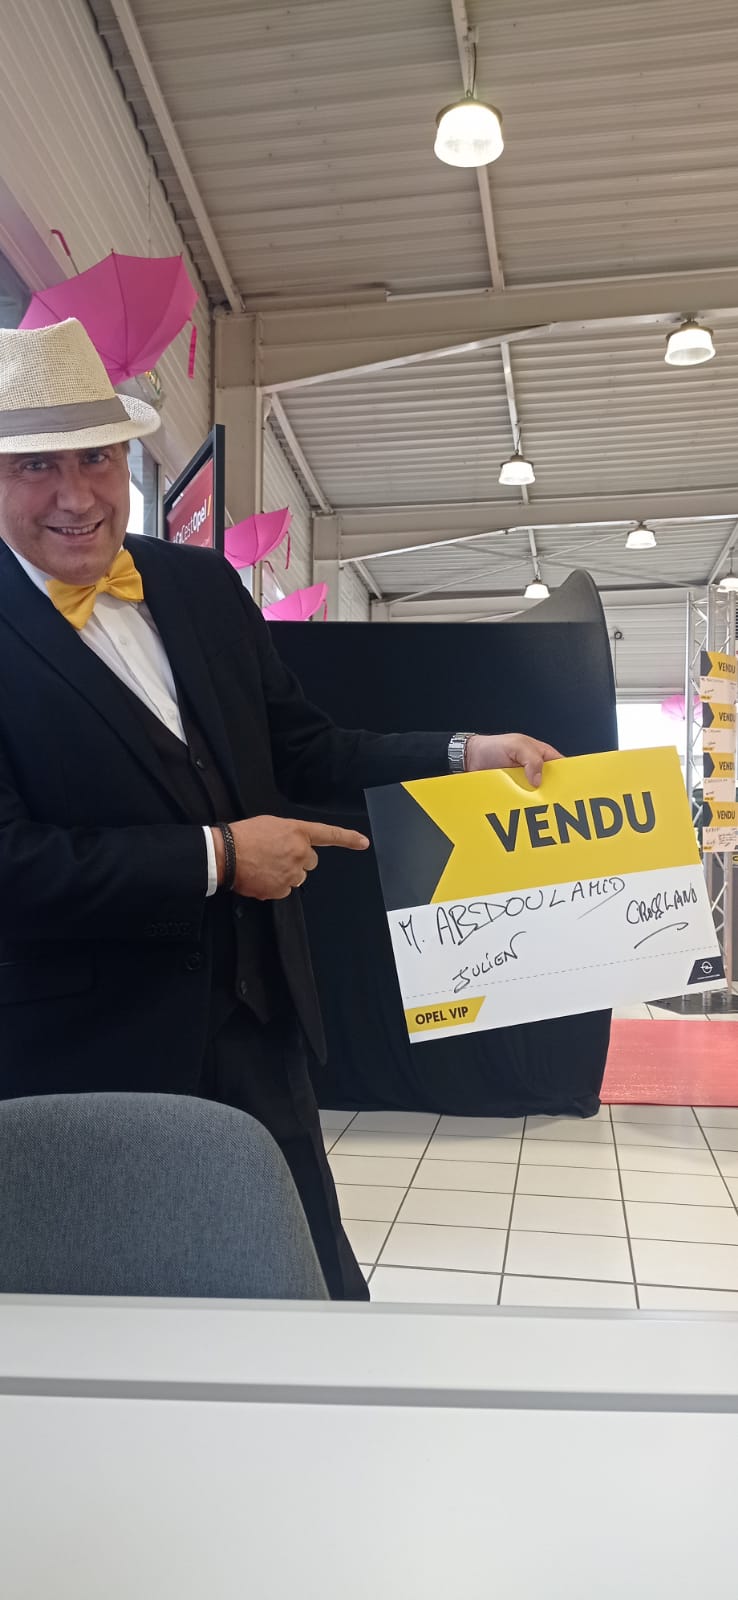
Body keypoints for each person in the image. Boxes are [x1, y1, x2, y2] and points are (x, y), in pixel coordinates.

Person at [0, 319, 560, 1299]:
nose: (75, 495)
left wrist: (463, 754)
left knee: (310, 1288)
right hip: (85, 1055)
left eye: (96, 458)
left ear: (127, 460)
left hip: (259, 1024)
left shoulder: (197, 584)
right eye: (35, 466)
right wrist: (218, 857)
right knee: (120, 1317)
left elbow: (303, 747)